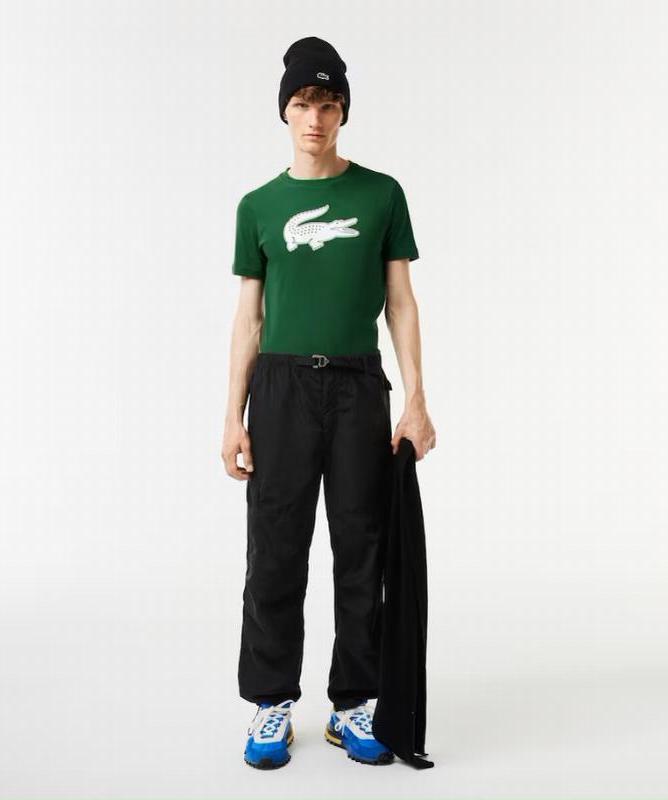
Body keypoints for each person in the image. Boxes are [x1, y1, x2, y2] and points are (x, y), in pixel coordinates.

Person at [221, 36, 436, 770]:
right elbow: (248, 319)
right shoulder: (258, 206)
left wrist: (416, 399)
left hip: (356, 386)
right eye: (304, 103)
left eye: (329, 103)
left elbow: (400, 303)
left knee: (361, 548)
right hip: (280, 389)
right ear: (285, 110)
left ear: (344, 111)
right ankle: (271, 701)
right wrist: (232, 417)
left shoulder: (381, 194)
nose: (315, 118)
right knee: (275, 550)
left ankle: (353, 704)